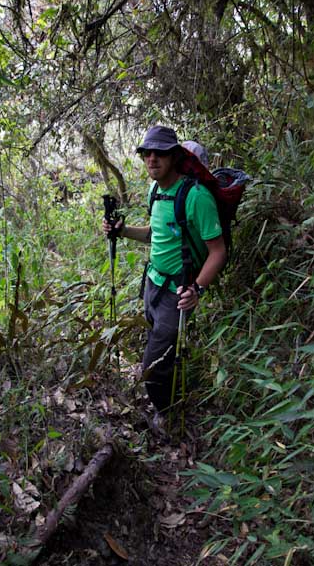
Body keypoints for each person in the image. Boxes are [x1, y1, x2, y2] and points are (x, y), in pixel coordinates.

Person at [102, 125, 227, 421]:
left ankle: (166, 414)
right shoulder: (155, 190)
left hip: (177, 292)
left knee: (152, 366)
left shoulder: (196, 197)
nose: (152, 159)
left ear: (173, 156)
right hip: (152, 283)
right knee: (163, 353)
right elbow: (156, 235)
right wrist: (123, 231)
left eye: (159, 153)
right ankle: (170, 397)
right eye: (147, 153)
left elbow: (218, 252)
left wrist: (196, 289)